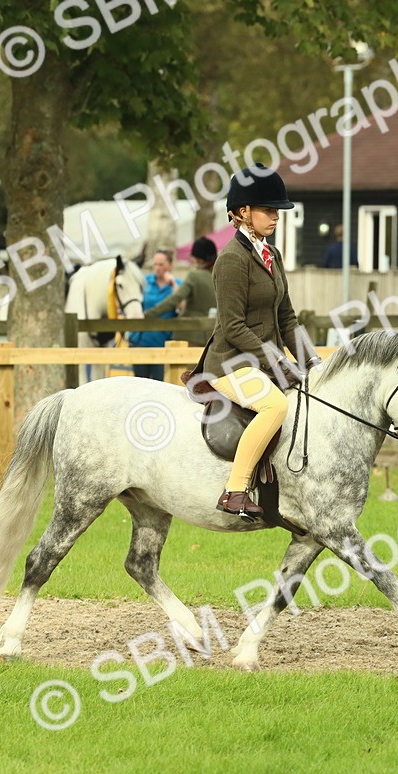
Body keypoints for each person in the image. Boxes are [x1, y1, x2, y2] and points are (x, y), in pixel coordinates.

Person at [201, 164, 320, 519]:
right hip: (231, 363)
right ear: (242, 213)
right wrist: (280, 362)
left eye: (277, 210)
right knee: (275, 407)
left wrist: (312, 362)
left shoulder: (272, 255)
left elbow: (287, 318)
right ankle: (234, 490)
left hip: (261, 362)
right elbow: (234, 326)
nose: (275, 217)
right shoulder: (231, 261)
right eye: (268, 210)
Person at [144, 237, 217, 346]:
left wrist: (148, 314)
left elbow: (174, 300)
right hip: (211, 335)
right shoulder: (218, 277)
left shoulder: (194, 276)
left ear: (198, 259)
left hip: (188, 334)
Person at [129, 248, 180, 380]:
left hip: (163, 344)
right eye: (155, 264)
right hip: (140, 342)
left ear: (170, 265)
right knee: (140, 385)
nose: (157, 268)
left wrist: (173, 284)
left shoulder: (177, 284)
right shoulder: (144, 282)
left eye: (161, 264)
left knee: (160, 386)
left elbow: (182, 306)